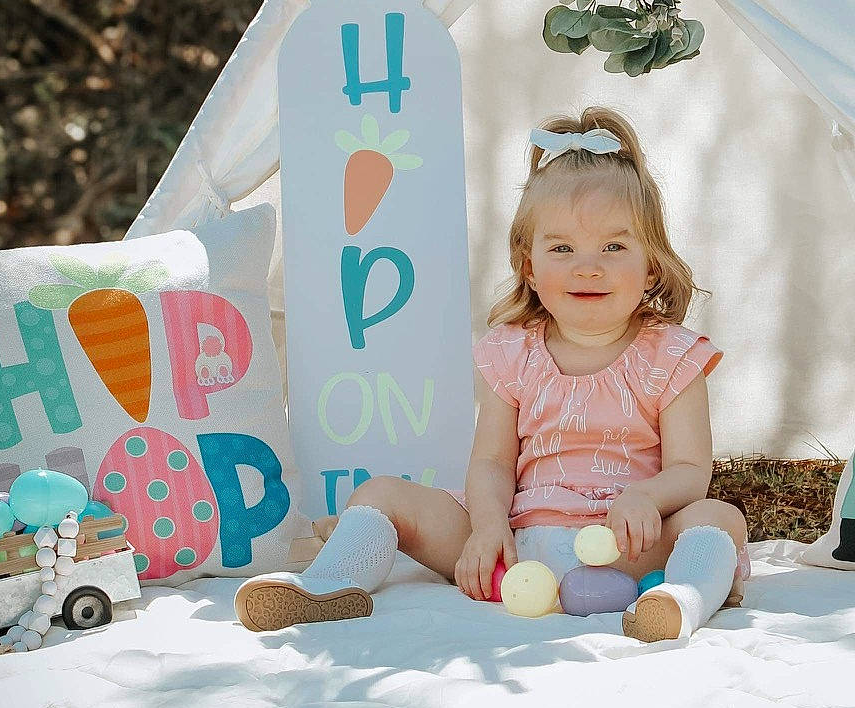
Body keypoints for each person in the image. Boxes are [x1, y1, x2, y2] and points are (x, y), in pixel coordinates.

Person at [234, 107, 750, 644]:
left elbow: (690, 469)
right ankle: (329, 584)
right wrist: (487, 527)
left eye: (614, 247)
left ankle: (680, 598)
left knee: (718, 517)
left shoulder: (672, 356)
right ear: (530, 267)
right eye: (562, 248)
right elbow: (492, 463)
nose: (588, 266)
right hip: (515, 544)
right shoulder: (513, 351)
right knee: (382, 493)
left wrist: (646, 499)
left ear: (652, 265)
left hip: (624, 545)